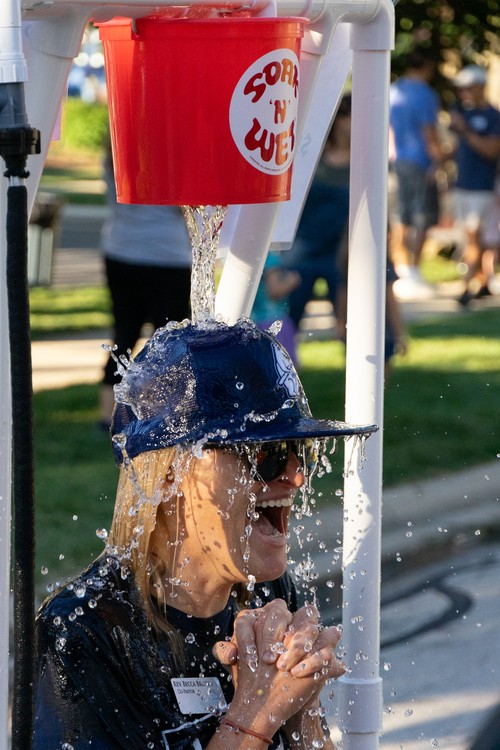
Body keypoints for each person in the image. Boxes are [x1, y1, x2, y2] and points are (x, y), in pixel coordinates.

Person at [34, 319, 376, 749]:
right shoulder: (84, 631)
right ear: (171, 473)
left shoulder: (268, 595)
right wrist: (255, 715)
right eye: (267, 454)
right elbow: (257, 715)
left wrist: (302, 711)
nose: (296, 476)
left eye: (299, 450)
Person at [99, 148, 192, 428]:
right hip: (168, 253)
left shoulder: (116, 147)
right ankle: (168, 413)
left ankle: (106, 416)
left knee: (124, 334)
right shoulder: (173, 154)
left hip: (121, 248)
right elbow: (185, 206)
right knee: (172, 340)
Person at [283, 95, 351, 338]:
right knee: (286, 326)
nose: (352, 123)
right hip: (302, 249)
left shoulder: (366, 163)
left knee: (352, 327)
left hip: (341, 253)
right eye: (347, 116)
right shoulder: (310, 154)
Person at [389, 48, 442, 297]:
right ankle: (414, 271)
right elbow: (428, 131)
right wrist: (438, 160)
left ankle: (401, 271)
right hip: (420, 162)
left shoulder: (393, 90)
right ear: (427, 67)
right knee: (422, 217)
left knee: (400, 217)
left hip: (396, 161)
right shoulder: (426, 94)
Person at [448, 64, 500, 306]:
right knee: (470, 237)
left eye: (467, 88)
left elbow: (491, 150)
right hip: (463, 184)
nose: (463, 93)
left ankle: (468, 286)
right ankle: (481, 281)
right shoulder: (464, 115)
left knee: (474, 236)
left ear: (480, 87)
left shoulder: (493, 117)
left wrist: (465, 131)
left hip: (482, 186)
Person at [251, 251, 301, 367]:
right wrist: (291, 281)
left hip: (254, 321)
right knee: (283, 368)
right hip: (275, 324)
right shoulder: (270, 259)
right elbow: (275, 291)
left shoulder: (248, 256)